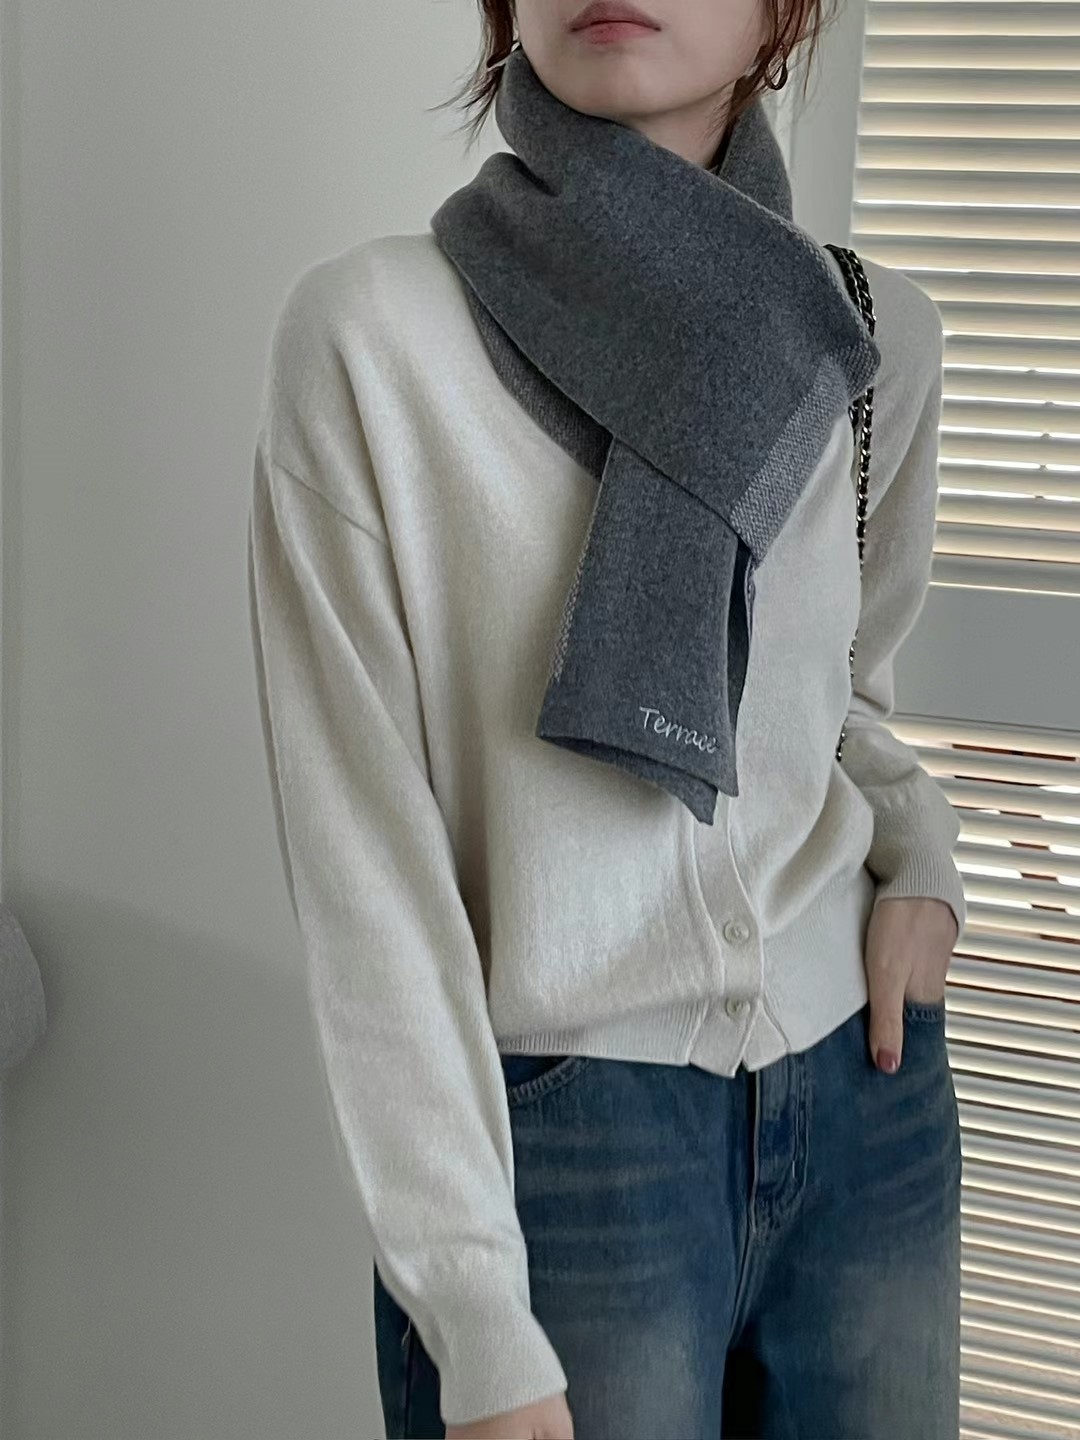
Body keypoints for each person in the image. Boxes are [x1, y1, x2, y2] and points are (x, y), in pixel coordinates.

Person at [246, 2, 967, 1436]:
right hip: (567, 1153)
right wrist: (473, 1315)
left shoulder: (870, 336)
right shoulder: (372, 339)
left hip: (866, 1097)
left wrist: (923, 869)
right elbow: (367, 875)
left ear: (784, 13)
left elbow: (845, 704)